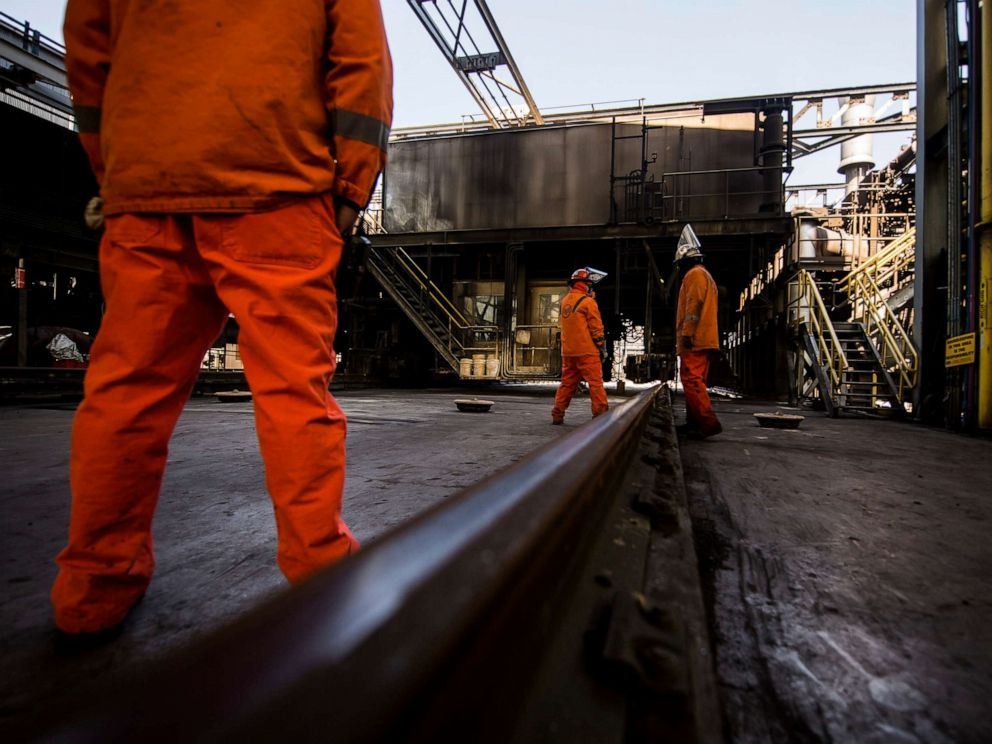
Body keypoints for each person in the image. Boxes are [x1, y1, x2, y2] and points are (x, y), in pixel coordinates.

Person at [51, 0, 393, 643]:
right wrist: (348, 191)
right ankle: (320, 574)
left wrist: (121, 170)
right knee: (296, 393)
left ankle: (91, 590)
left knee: (125, 394)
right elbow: (361, 63)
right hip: (277, 186)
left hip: (148, 189)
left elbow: (87, 54)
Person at [674, 225, 723, 439]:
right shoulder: (705, 275)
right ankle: (694, 423)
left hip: (695, 340)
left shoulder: (694, 275)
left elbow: (693, 307)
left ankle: (707, 423)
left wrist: (687, 333)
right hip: (704, 338)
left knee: (692, 380)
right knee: (694, 381)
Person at [552, 267, 609, 425]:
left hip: (569, 353)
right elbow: (596, 328)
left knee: (567, 384)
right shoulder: (588, 302)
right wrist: (602, 347)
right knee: (595, 383)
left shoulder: (564, 302)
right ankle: (600, 415)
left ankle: (558, 414)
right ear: (585, 284)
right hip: (587, 352)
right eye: (590, 284)